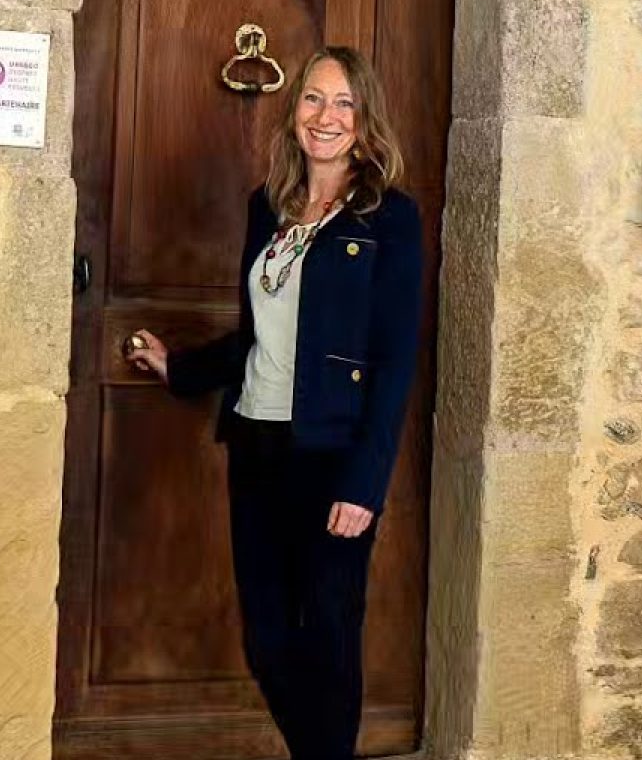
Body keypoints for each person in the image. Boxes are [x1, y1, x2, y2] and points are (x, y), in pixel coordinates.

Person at [125, 45, 425, 760]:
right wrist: (180, 369)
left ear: (365, 120)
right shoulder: (269, 207)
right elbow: (260, 336)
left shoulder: (389, 219)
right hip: (256, 442)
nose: (327, 117)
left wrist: (365, 484)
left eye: (345, 103)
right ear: (295, 113)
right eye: (315, 99)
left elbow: (394, 362)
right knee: (266, 637)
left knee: (327, 632)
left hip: (330, 453)